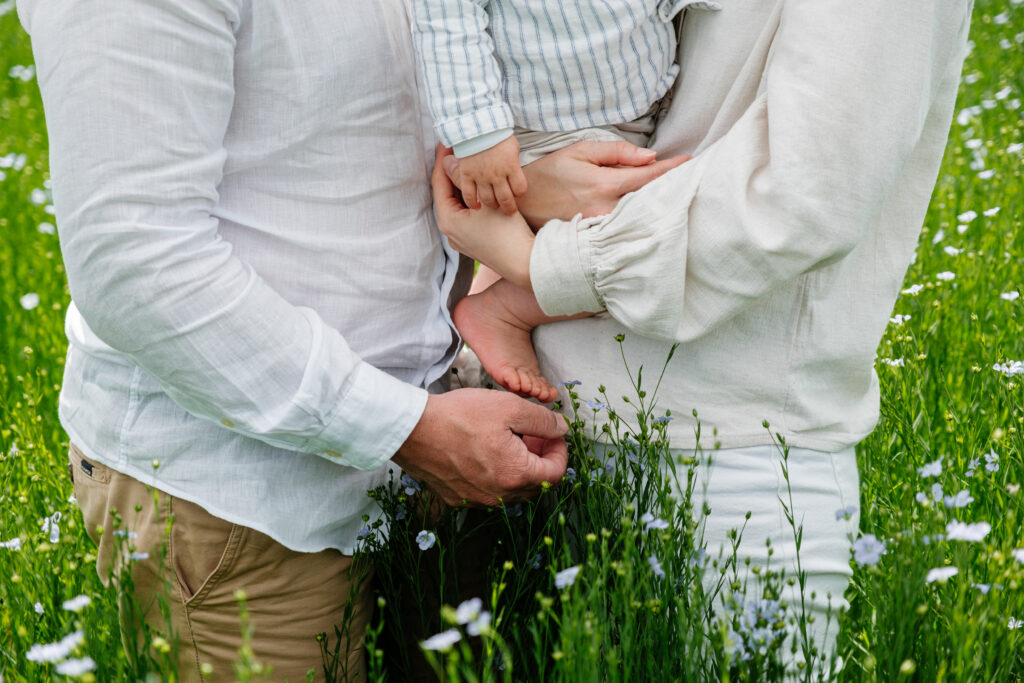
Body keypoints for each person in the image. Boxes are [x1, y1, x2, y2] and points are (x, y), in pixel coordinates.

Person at [15, 0, 689, 679]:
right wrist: (408, 428)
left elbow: (363, 120)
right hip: (244, 501)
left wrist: (522, 181)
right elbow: (138, 265)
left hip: (435, 445)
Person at [434, 0, 974, 671]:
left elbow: (804, 193)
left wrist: (542, 263)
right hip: (538, 433)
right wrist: (528, 177)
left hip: (729, 470)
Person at [412, 0, 696, 403]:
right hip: (538, 127)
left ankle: (502, 287)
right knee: (629, 248)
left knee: (636, 243)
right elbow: (445, 14)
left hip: (630, 109)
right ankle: (505, 310)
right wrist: (479, 132)